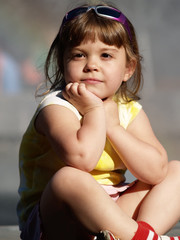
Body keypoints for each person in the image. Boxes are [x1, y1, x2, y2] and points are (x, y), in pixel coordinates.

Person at [17, 3, 180, 240]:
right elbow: (81, 159)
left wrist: (114, 127)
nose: (92, 65)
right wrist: (94, 111)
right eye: (79, 55)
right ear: (63, 64)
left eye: (106, 55)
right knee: (68, 179)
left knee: (176, 171)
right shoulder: (56, 107)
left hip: (110, 215)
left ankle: (137, 234)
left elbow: (156, 171)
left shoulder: (126, 110)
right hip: (58, 221)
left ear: (128, 69)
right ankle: (140, 238)